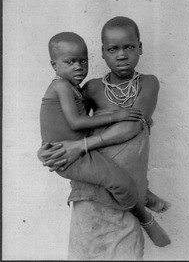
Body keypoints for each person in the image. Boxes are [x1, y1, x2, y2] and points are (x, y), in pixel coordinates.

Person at [38, 17, 171, 260]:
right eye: (113, 49)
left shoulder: (147, 83)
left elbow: (131, 127)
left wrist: (79, 146)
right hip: (91, 192)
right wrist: (47, 150)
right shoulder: (90, 88)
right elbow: (71, 126)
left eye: (129, 47)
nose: (121, 55)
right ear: (102, 52)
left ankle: (145, 205)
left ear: (140, 47)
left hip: (127, 194)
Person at [40, 31, 144, 210]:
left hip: (79, 151)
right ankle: (139, 213)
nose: (78, 67)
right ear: (54, 65)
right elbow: (76, 123)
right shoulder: (61, 86)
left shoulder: (73, 88)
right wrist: (115, 116)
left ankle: (140, 196)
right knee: (122, 185)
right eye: (69, 62)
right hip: (67, 157)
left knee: (121, 176)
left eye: (83, 61)